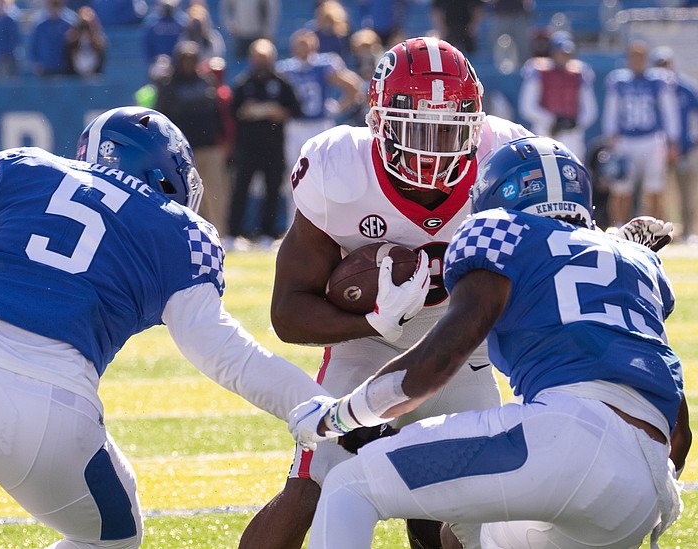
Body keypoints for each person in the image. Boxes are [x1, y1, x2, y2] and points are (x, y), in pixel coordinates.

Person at [0, 106, 332, 548]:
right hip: (53, 410)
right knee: (115, 539)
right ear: (166, 172)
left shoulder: (25, 170)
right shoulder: (178, 229)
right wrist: (317, 404)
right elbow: (227, 355)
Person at [289, 135, 689, 549]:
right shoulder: (638, 263)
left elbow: (436, 363)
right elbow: (681, 433)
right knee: (463, 538)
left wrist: (339, 415)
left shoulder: (499, 231)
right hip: (641, 488)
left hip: (564, 435)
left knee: (349, 484)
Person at [238, 36, 534, 549]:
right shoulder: (338, 167)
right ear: (378, 121)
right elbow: (287, 313)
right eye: (418, 128)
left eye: (449, 130)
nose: (433, 147)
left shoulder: (504, 158)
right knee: (314, 484)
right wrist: (371, 322)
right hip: (365, 348)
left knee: (479, 509)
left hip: (459, 342)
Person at [276, 28, 363, 228]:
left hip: (320, 124)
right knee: (294, 175)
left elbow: (353, 86)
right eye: (299, 42)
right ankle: (293, 225)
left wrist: (337, 107)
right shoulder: (286, 68)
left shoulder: (324, 64)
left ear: (315, 44)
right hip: (296, 125)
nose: (303, 46)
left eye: (307, 42)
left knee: (327, 173)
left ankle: (330, 225)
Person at [226, 38, 301, 251]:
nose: (261, 62)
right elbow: (233, 112)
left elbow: (295, 109)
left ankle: (268, 233)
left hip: (273, 148)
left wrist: (280, 113)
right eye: (258, 57)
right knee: (240, 190)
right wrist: (246, 112)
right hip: (248, 147)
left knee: (272, 190)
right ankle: (233, 234)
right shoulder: (243, 83)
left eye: (265, 58)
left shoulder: (282, 83)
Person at [602, 39, 680, 226]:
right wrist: (610, 136)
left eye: (640, 56)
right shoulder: (618, 80)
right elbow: (611, 111)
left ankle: (656, 227)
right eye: (633, 56)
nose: (636, 60)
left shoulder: (658, 80)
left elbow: (670, 112)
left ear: (646, 58)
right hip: (625, 139)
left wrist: (672, 140)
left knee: (655, 187)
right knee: (621, 187)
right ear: (628, 58)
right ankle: (619, 226)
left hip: (651, 138)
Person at [155, 40, 229, 236]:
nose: (188, 63)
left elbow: (217, 114)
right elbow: (161, 118)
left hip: (209, 146)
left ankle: (219, 234)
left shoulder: (206, 82)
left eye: (191, 59)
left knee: (214, 193)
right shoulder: (168, 86)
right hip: (181, 151)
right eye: (184, 59)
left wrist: (223, 139)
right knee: (184, 193)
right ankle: (187, 233)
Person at [518, 30, 598, 161]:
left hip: (572, 132)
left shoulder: (580, 72)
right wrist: (552, 120)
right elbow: (527, 107)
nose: (563, 56)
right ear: (552, 52)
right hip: (546, 130)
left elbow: (590, 110)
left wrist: (574, 122)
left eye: (566, 53)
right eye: (559, 52)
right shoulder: (538, 71)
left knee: (572, 172)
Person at [651, 45, 698, 242]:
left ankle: (688, 231)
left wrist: (693, 139)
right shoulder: (650, 87)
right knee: (657, 192)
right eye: (659, 65)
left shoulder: (686, 88)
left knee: (686, 191)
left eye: (666, 64)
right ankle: (661, 231)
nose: (663, 69)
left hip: (684, 148)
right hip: (656, 148)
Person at [27, 0, 77, 76]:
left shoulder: (72, 22)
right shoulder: (39, 23)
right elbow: (32, 47)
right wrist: (36, 63)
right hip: (45, 71)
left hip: (66, 71)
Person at [65, 5, 106, 77]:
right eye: (82, 27)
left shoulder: (100, 44)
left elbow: (102, 65)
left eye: (88, 27)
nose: (85, 31)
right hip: (75, 79)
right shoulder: (71, 44)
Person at [141, 0, 185, 65]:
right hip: (158, 63)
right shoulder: (152, 22)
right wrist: (152, 62)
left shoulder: (182, 21)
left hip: (178, 65)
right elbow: (147, 45)